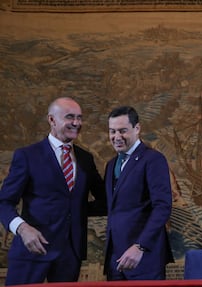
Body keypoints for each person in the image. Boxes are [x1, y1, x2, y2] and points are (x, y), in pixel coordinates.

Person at [0, 97, 107, 285]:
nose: (77, 123)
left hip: (70, 255)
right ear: (52, 120)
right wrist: (22, 229)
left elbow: (105, 201)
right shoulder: (27, 156)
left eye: (80, 118)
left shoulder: (86, 159)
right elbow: (4, 202)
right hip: (31, 251)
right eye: (70, 117)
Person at [104, 106, 174, 281]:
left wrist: (140, 246)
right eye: (112, 131)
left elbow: (162, 207)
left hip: (144, 258)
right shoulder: (111, 165)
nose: (116, 137)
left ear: (137, 129)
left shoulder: (153, 160)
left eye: (122, 131)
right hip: (115, 260)